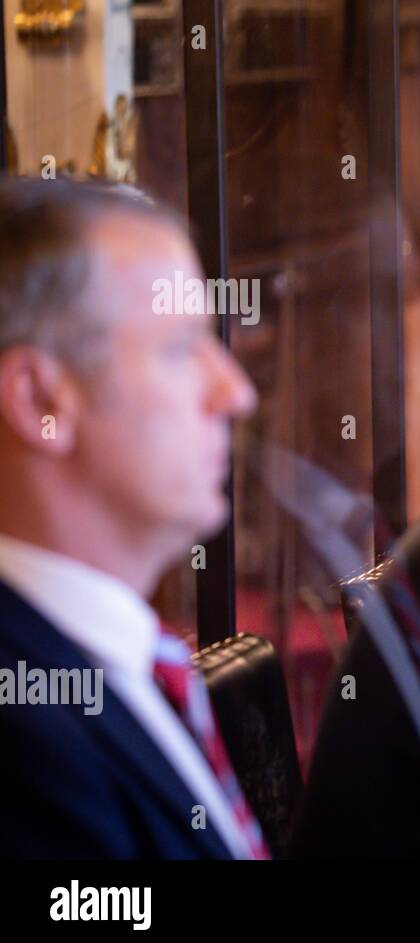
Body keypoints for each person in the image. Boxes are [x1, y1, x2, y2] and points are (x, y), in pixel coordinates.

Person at [0, 177, 263, 858]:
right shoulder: (22, 739)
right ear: (39, 402)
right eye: (180, 349)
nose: (235, 392)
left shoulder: (121, 659)